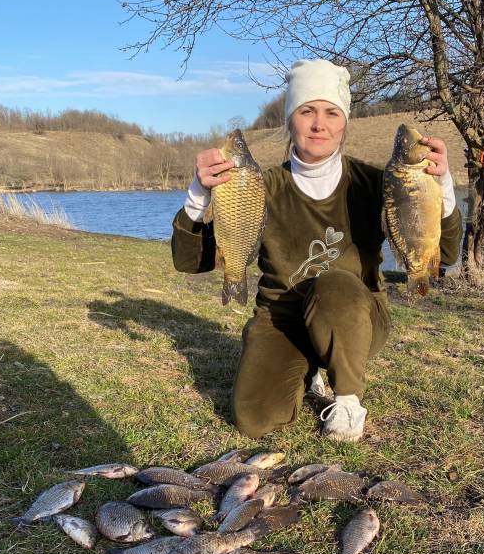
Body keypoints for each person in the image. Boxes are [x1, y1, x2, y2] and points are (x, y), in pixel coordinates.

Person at [171, 59, 462, 442]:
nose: (318, 124)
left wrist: (440, 186)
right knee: (253, 418)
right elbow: (190, 262)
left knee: (334, 284)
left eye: (331, 113)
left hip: (355, 315)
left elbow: (447, 253)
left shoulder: (380, 181)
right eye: (306, 111)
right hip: (282, 317)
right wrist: (198, 196)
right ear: (290, 120)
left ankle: (347, 399)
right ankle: (310, 367)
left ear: (344, 122)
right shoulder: (258, 185)